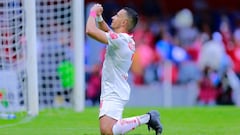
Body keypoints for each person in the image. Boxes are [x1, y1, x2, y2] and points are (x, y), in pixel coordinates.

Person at [86, 3, 163, 135]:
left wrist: (92, 13)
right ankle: (148, 118)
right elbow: (107, 30)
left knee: (108, 130)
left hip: (114, 90)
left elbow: (90, 31)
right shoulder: (125, 39)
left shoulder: (120, 40)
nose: (113, 17)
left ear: (124, 22)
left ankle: (148, 118)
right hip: (115, 87)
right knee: (107, 131)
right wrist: (99, 17)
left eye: (117, 15)